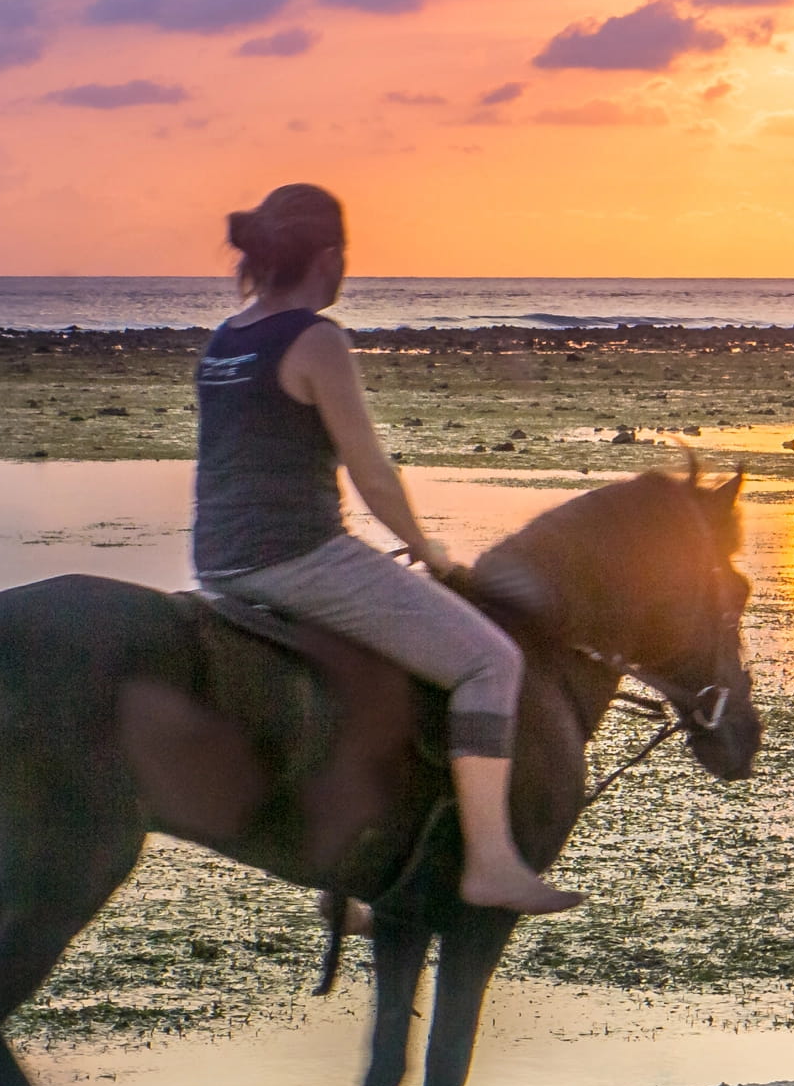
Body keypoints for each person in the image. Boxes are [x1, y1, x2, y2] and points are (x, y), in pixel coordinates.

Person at [191, 183, 581, 915]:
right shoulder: (316, 339)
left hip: (219, 559)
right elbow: (370, 471)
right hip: (299, 557)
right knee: (489, 660)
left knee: (370, 673)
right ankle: (492, 860)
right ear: (330, 257)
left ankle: (348, 871)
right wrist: (428, 550)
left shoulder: (227, 339)